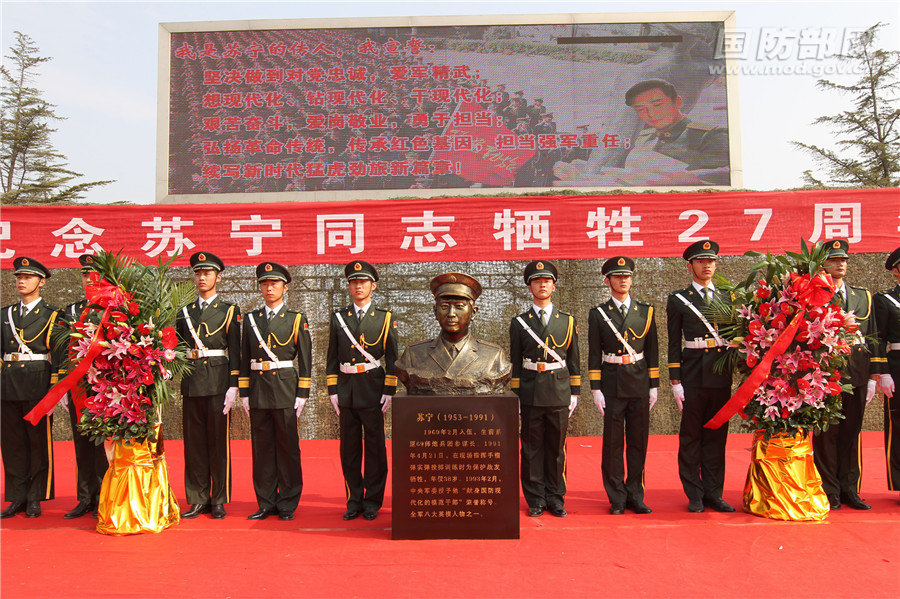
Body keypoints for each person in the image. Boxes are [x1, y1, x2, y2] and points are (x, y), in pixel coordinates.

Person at [326, 260, 398, 522]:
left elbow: (393, 356)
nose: (358, 286)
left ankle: (373, 501)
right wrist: (332, 389)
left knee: (376, 448)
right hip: (347, 389)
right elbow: (332, 356)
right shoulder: (339, 317)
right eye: (354, 282)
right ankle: (353, 499)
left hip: (373, 389)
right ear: (348, 286)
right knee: (350, 449)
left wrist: (389, 388)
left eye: (363, 282)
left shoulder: (385, 317)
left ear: (373, 286)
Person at [239, 261, 311, 521]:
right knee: (262, 449)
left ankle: (288, 502)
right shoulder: (251, 319)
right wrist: (244, 393)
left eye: (274, 283)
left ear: (285, 287)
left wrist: (302, 393)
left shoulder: (296, 319)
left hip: (285, 389)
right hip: (258, 389)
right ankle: (266, 501)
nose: (269, 288)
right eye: (265, 284)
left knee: (287, 447)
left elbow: (305, 359)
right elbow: (244, 357)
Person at [667, 240, 735, 513]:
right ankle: (694, 493)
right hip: (693, 374)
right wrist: (675, 381)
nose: (707, 266)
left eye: (711, 261)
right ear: (690, 266)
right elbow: (674, 342)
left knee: (717, 436)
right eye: (701, 261)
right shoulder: (679, 299)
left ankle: (714, 493)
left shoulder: (729, 296)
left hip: (720, 374)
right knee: (691, 437)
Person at [509, 260, 580, 518]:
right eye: (537, 281)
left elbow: (574, 360)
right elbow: (515, 362)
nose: (542, 285)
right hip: (530, 391)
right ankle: (535, 499)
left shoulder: (567, 321)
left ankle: (556, 497)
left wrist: (574, 392)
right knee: (531, 449)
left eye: (547, 281)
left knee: (556, 448)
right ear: (529, 287)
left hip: (559, 390)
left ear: (554, 286)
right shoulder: (519, 322)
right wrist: (516, 395)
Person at [588, 256, 659, 515]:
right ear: (608, 281)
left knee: (639, 441)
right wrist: (596, 389)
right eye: (618, 276)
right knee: (613, 444)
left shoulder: (646, 312)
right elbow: (594, 353)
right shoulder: (599, 314)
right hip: (612, 382)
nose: (623, 280)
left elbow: (653, 350)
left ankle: (636, 495)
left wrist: (654, 385)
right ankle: (616, 496)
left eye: (627, 276)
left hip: (639, 381)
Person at [813, 239, 879, 511]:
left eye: (843, 260)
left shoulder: (863, 296)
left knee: (852, 432)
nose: (840, 264)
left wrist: (874, 376)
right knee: (826, 434)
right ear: (822, 264)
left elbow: (873, 336)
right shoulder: (813, 294)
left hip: (857, 372)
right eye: (834, 260)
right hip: (825, 374)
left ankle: (850, 488)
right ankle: (829, 490)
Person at [175, 251, 241, 520]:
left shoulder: (229, 311)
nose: (202, 277)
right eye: (198, 273)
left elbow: (235, 351)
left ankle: (219, 499)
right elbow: (178, 349)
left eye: (207, 273)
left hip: (218, 383)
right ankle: (197, 498)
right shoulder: (185, 312)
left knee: (218, 444)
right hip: (192, 383)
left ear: (218, 277)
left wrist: (234, 385)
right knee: (194, 445)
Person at [1, 257, 65, 519]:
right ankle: (17, 496)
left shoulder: (53, 315)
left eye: (27, 277)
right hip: (8, 383)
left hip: (38, 382)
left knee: (38, 442)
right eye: (18, 277)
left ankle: (36, 496)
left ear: (42, 282)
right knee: (12, 442)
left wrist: (54, 391)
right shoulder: (5, 314)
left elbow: (59, 356)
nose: (21, 281)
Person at [395, 272, 510, 395]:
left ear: (473, 313)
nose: (451, 314)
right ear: (435, 312)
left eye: (459, 307)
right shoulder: (413, 354)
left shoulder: (494, 355)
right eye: (444, 306)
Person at [61, 254, 108, 519]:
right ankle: (85, 496)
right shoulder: (72, 311)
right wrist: (62, 384)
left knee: (104, 441)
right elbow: (62, 349)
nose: (89, 278)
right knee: (82, 440)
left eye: (94, 273)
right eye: (84, 274)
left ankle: (105, 495)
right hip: (79, 385)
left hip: (106, 385)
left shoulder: (114, 308)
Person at [621, 79, 730, 186]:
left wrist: (695, 178)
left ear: (678, 102)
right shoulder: (644, 138)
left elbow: (732, 172)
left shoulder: (710, 135)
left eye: (657, 104)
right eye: (641, 109)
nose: (651, 114)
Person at [873, 246, 900, 504]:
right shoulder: (885, 300)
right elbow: (878, 338)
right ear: (896, 270)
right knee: (899, 426)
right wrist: (883, 372)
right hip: (898, 366)